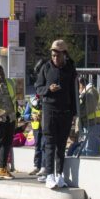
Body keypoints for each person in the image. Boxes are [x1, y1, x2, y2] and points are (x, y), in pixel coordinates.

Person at [35, 40, 77, 189]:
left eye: (58, 55)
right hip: (49, 110)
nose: (55, 58)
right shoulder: (45, 68)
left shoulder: (70, 69)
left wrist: (74, 113)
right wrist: (48, 89)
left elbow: (74, 92)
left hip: (65, 111)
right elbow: (38, 88)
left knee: (61, 145)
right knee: (50, 144)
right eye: (53, 55)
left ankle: (59, 175)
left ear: (64, 54)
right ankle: (49, 176)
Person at [78, 77, 100, 156]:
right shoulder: (88, 91)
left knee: (91, 150)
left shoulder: (90, 92)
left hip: (92, 122)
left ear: (81, 85)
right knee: (89, 147)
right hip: (91, 122)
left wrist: (78, 114)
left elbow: (89, 107)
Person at [23, 95, 46, 177]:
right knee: (37, 146)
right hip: (36, 127)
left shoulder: (46, 97)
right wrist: (31, 117)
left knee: (44, 146)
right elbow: (25, 115)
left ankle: (43, 167)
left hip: (45, 127)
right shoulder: (31, 100)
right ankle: (37, 166)